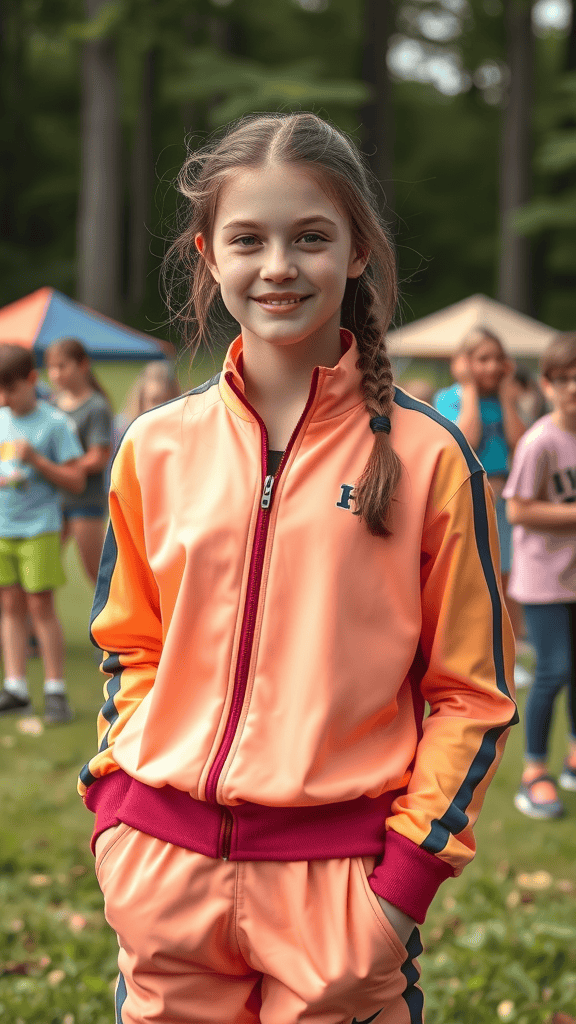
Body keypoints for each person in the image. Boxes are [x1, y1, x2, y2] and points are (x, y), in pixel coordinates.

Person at [78, 112, 517, 1024]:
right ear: (209, 255)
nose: (278, 266)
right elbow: (128, 648)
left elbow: (472, 695)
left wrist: (398, 888)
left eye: (310, 237)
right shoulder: (153, 447)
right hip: (164, 879)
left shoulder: (435, 459)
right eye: (249, 239)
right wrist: (121, 813)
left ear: (357, 251)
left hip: (342, 894)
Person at [504, 331, 576, 819]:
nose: (574, 387)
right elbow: (518, 510)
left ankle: (573, 756)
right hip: (544, 580)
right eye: (564, 379)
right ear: (549, 385)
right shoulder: (540, 442)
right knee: (553, 670)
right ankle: (534, 772)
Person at [434, 329, 530, 687]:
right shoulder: (450, 397)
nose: (490, 367)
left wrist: (506, 397)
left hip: (505, 502)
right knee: (471, 580)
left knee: (508, 580)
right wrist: (470, 389)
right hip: (469, 498)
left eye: (495, 359)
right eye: (481, 358)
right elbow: (466, 439)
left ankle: (511, 654)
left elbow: (523, 444)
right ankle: (471, 658)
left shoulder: (507, 399)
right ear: (465, 362)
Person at [0, 344, 85, 723]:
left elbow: (76, 480)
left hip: (39, 530)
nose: (5, 399)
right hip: (3, 529)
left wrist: (35, 460)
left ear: (32, 380)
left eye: (11, 390)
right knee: (10, 606)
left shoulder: (54, 424)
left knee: (40, 607)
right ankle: (16, 687)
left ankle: (55, 692)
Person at [45, 338, 113, 587]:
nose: (55, 374)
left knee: (96, 573)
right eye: (51, 367)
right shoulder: (51, 407)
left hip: (85, 501)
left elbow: (99, 457)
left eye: (62, 366)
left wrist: (57, 469)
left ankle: (114, 624)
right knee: (40, 572)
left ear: (83, 365)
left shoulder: (96, 406)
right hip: (52, 501)